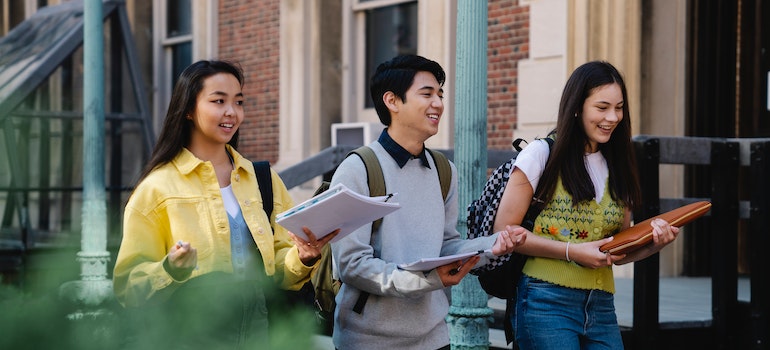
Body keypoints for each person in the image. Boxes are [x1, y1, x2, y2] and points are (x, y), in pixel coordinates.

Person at [112, 60, 337, 349]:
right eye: (219, 101)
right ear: (189, 110)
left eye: (238, 102)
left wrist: (304, 256)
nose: (232, 112)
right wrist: (170, 269)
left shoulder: (263, 179)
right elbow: (129, 287)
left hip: (262, 334)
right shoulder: (157, 188)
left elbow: (279, 272)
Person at [329, 54, 526, 350]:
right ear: (392, 101)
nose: (438, 104)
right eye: (427, 94)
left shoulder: (444, 170)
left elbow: (446, 246)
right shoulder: (357, 169)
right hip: (367, 341)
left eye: (440, 94)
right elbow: (351, 265)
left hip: (434, 338)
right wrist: (423, 280)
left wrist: (492, 245)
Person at [494, 60, 681, 349]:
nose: (613, 117)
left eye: (619, 108)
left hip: (601, 305)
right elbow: (505, 230)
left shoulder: (619, 162)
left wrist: (654, 243)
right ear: (578, 107)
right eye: (602, 107)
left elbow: (616, 248)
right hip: (544, 301)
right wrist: (572, 252)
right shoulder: (541, 154)